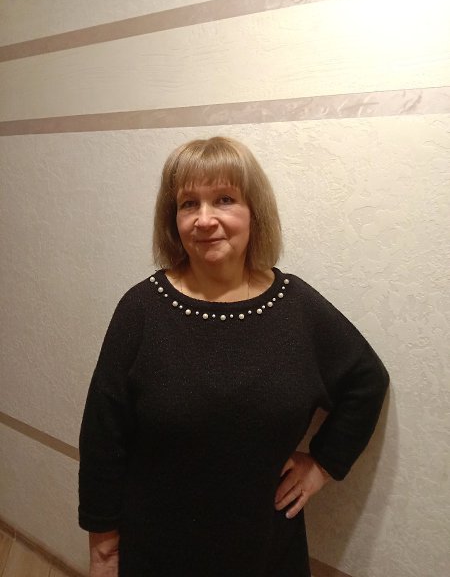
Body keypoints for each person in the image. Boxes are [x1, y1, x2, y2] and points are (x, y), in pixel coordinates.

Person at [78, 136, 389, 577]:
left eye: (224, 199)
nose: (205, 220)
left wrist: (322, 463)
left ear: (254, 211)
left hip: (266, 550)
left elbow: (366, 380)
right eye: (189, 204)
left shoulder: (296, 307)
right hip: (158, 549)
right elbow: (102, 436)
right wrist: (104, 549)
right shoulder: (141, 310)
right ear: (173, 219)